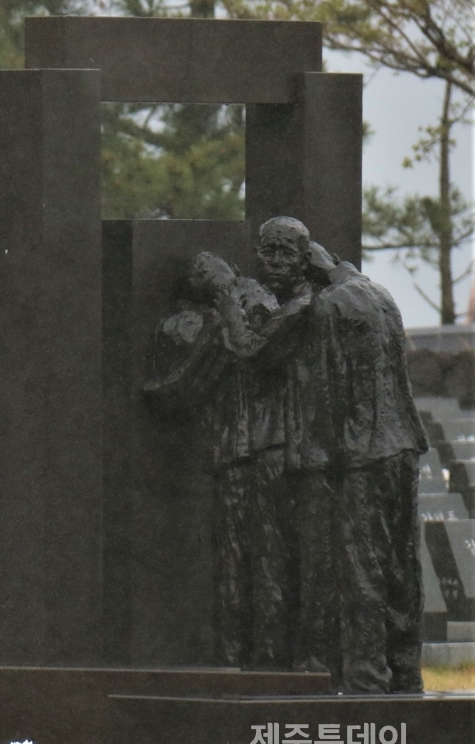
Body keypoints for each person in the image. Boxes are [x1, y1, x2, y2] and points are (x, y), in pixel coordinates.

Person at [216, 216, 428, 692]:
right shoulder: (377, 294)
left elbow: (250, 350)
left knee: (361, 567)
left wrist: (227, 294)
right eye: (266, 252)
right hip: (403, 447)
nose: (271, 264)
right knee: (402, 567)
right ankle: (405, 675)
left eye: (283, 254)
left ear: (306, 258)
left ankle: (366, 683)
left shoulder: (311, 308)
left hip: (362, 454)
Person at [144, 252, 297, 667]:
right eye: (199, 272)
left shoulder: (257, 305)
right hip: (242, 450)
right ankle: (242, 659)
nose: (206, 273)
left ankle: (263, 660)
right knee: (242, 560)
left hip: (259, 449)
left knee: (265, 558)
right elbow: (174, 393)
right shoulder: (186, 326)